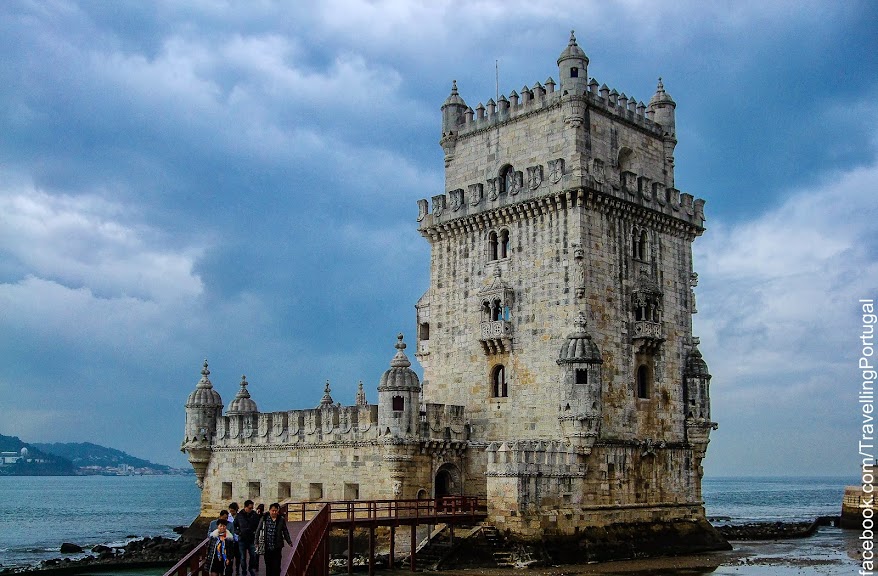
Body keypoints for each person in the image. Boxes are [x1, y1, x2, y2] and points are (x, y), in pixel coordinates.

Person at [255, 503, 291, 576]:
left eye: (276, 511)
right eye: (272, 510)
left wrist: (289, 541)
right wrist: (256, 541)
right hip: (267, 545)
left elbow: (285, 531)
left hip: (277, 546)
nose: (274, 512)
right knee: (268, 565)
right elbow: (258, 530)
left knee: (277, 565)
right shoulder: (264, 518)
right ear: (269, 510)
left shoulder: (281, 519)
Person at [235, 500, 260, 576]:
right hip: (242, 539)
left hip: (251, 539)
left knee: (253, 555)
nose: (251, 509)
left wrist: (256, 533)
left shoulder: (254, 515)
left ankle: (250, 568)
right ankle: (244, 571)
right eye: (249, 508)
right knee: (242, 557)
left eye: (252, 508)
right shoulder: (239, 516)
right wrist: (238, 532)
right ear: (245, 507)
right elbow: (234, 525)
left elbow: (258, 526)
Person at [227, 503, 241, 576]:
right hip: (230, 540)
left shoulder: (239, 516)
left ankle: (237, 569)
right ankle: (230, 570)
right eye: (230, 511)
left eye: (233, 511)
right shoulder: (228, 517)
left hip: (238, 539)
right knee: (230, 556)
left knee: (238, 556)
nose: (231, 512)